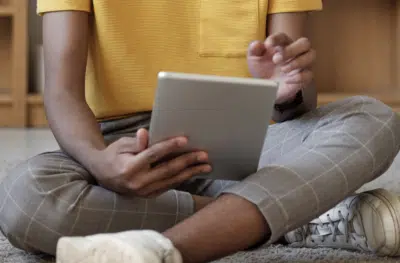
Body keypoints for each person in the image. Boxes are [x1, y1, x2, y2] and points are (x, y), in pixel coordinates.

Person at [0, 0, 400, 262]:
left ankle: (165, 250)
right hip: (119, 146)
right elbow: (61, 91)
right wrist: (100, 162)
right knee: (26, 198)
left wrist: (283, 90)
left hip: (251, 147)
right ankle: (296, 218)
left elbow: (300, 104)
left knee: (373, 117)